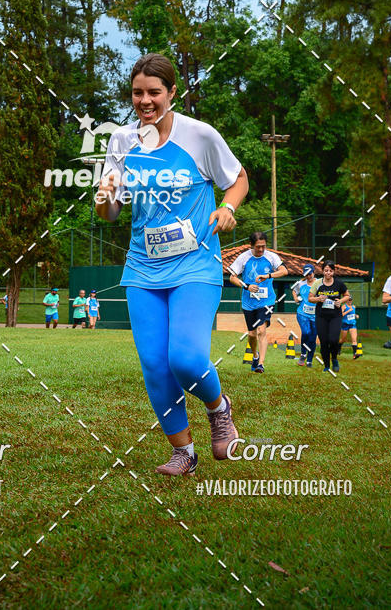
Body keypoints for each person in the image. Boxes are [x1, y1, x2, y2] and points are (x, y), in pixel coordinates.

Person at [97, 53, 249, 476]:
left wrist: (227, 207)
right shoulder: (122, 142)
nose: (145, 101)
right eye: (137, 93)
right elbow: (110, 215)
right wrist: (105, 195)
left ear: (172, 94)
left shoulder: (199, 135)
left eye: (154, 93)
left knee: (184, 357)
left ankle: (219, 409)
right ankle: (184, 451)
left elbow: (238, 178)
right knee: (156, 365)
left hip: (195, 264)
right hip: (144, 269)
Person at [228, 233, 288, 373]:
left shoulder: (271, 257)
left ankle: (261, 364)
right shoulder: (243, 258)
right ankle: (255, 356)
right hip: (248, 302)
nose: (261, 250)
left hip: (266, 301)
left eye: (263, 246)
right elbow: (232, 277)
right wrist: (246, 286)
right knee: (252, 334)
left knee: (261, 330)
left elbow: (284, 271)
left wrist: (268, 276)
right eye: (258, 247)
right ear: (251, 245)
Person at [309, 262, 350, 373]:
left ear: (333, 271)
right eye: (326, 270)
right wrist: (318, 299)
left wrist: (340, 301)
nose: (328, 273)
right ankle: (326, 365)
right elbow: (310, 298)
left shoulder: (339, 283)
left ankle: (335, 359)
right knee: (324, 341)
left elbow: (347, 295)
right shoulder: (317, 283)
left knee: (333, 339)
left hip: (335, 316)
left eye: (330, 271)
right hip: (321, 316)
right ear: (323, 271)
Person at [291, 263, 318, 367]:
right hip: (302, 313)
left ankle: (309, 360)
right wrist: (296, 298)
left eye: (310, 273)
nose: (309, 276)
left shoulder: (319, 283)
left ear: (314, 272)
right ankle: (303, 353)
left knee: (313, 337)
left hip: (316, 315)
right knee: (306, 332)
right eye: (306, 274)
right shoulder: (301, 283)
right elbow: (293, 290)